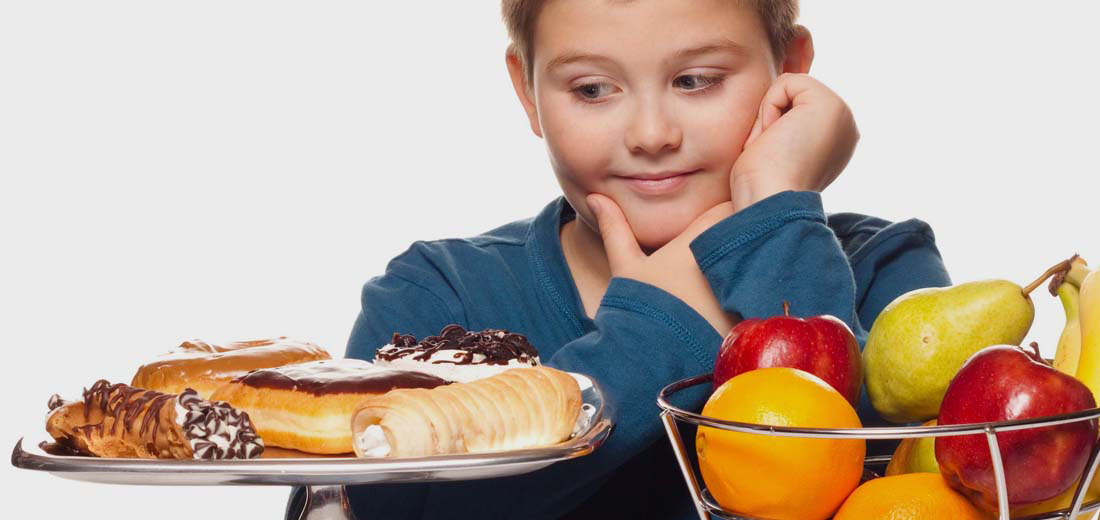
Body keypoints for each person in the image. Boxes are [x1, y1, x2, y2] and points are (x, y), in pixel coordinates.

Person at [288, 0, 950, 518]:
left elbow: (887, 493)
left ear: (790, 70)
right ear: (528, 91)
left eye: (696, 80)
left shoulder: (889, 278)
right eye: (594, 90)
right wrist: (654, 332)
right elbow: (389, 511)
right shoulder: (437, 298)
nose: (652, 136)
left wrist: (776, 217)